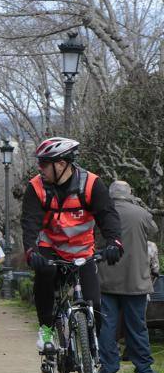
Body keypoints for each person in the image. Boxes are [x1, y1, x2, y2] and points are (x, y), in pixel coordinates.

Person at [21, 137, 123, 352]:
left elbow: (108, 216)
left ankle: (92, 355)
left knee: (94, 305)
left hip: (82, 251)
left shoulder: (91, 184)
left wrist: (114, 243)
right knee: (45, 276)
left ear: (61, 163)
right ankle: (46, 329)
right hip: (50, 247)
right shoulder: (36, 187)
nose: (40, 169)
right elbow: (30, 222)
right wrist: (31, 251)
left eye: (43, 164)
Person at [96, 181, 158, 373]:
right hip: (135, 279)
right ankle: (144, 370)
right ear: (129, 193)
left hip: (107, 278)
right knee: (137, 326)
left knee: (108, 325)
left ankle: (108, 369)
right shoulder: (140, 213)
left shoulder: (102, 212)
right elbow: (153, 230)